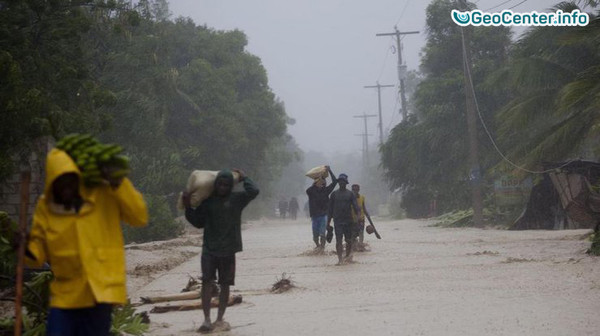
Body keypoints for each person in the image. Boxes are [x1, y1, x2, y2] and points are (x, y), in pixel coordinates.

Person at [24, 148, 148, 336]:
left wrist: (119, 183)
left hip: (99, 294)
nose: (65, 190)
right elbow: (36, 256)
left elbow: (139, 217)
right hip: (65, 296)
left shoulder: (105, 195)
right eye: (59, 184)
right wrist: (22, 248)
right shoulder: (46, 206)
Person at [182, 169, 259, 333]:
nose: (223, 187)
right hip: (209, 250)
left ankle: (219, 318)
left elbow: (254, 191)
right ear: (215, 185)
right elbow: (198, 222)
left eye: (226, 185)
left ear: (231, 186)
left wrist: (245, 177)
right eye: (220, 184)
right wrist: (188, 206)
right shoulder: (208, 202)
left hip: (229, 251)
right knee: (206, 283)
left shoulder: (237, 199)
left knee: (225, 285)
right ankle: (207, 319)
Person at [327, 173, 361, 265]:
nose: (342, 183)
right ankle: (340, 259)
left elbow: (356, 208)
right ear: (338, 183)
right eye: (340, 182)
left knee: (348, 240)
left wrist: (358, 219)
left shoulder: (350, 194)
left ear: (346, 183)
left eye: (343, 182)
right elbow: (330, 210)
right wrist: (328, 223)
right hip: (337, 221)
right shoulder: (333, 195)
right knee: (338, 240)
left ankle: (347, 257)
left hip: (348, 220)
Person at [306, 165, 337, 249]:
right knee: (315, 236)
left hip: (324, 215)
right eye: (320, 182)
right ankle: (318, 246)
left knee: (322, 234)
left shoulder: (326, 191)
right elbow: (308, 190)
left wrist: (330, 171)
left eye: (323, 182)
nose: (322, 183)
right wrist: (316, 182)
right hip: (315, 216)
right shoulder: (311, 191)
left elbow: (335, 182)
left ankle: (322, 249)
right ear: (316, 183)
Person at [351, 184, 371, 251]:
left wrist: (368, 216)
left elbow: (364, 208)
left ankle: (360, 245)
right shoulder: (349, 198)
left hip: (361, 219)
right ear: (352, 190)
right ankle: (354, 245)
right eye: (353, 190)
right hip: (352, 220)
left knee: (361, 232)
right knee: (353, 234)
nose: (355, 191)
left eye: (356, 190)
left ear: (358, 190)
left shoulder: (362, 198)